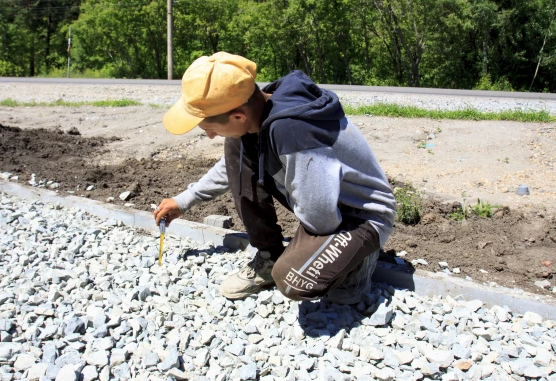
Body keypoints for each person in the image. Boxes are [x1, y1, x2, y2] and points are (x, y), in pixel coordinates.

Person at [154, 52, 396, 304]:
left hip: (361, 216)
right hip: (325, 204)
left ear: (238, 116)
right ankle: (269, 255)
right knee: (236, 146)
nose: (210, 136)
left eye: (209, 128)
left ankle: (358, 261)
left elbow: (320, 218)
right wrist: (183, 201)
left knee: (292, 281)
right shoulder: (257, 112)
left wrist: (303, 253)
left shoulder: (292, 131)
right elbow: (231, 169)